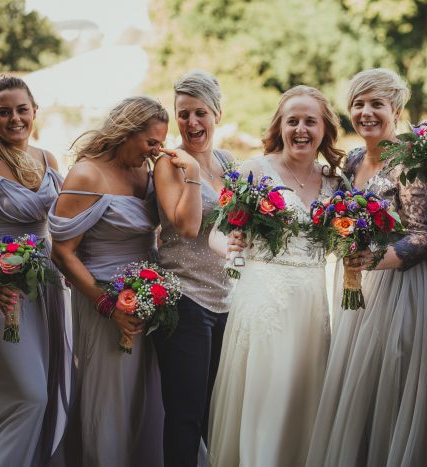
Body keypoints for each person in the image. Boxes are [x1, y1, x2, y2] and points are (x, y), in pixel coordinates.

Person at [306, 68, 427, 467]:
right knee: (358, 379)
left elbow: (426, 234)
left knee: (392, 377)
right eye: (358, 104)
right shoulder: (352, 162)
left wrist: (374, 260)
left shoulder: (411, 163)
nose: (366, 112)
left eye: (376, 104)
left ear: (397, 110)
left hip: (402, 287)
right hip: (359, 284)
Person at [208, 85, 343, 467]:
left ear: (324, 129)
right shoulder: (254, 170)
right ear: (280, 127)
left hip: (312, 304)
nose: (301, 129)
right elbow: (216, 231)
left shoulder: (335, 183)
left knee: (303, 395)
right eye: (293, 121)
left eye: (310, 122)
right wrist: (230, 245)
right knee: (268, 394)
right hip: (264, 298)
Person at [49, 96, 168, 467]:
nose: (156, 151)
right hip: (102, 300)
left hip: (147, 300)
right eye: (151, 142)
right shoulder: (87, 174)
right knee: (109, 399)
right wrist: (108, 305)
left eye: (161, 142)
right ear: (126, 132)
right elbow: (63, 252)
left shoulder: (146, 173)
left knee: (147, 398)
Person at [0, 75, 67, 466]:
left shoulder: (49, 160)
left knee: (49, 390)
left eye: (22, 110)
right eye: (5, 112)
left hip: (46, 289)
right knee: (27, 394)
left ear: (35, 112)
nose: (15, 118)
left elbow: (65, 222)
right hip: (1, 293)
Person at [153, 70, 235, 467]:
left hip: (227, 299)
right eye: (183, 114)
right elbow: (186, 227)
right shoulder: (169, 165)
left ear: (217, 113)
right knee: (186, 414)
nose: (192, 123)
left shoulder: (228, 162)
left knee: (218, 412)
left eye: (200, 112)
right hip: (185, 299)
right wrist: (194, 175)